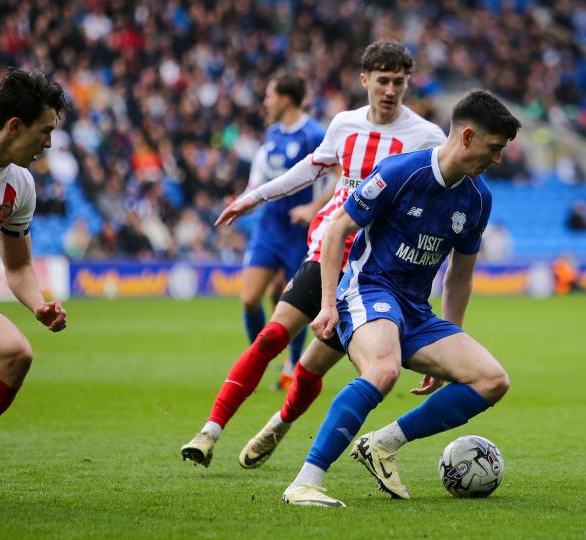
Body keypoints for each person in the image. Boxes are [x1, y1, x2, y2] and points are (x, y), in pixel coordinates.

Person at [180, 41, 446, 469]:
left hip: (376, 274)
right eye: (383, 81)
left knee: (310, 369)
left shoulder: (428, 137)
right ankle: (209, 431)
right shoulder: (344, 125)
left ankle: (281, 423)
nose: (391, 90)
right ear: (365, 80)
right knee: (271, 336)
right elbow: (310, 168)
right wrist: (255, 197)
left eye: (399, 82)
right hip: (330, 255)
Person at [281, 89, 520, 508]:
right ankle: (305, 481)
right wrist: (327, 305)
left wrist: (449, 344)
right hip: (369, 287)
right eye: (494, 147)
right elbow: (336, 229)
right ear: (466, 137)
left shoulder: (478, 198)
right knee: (384, 369)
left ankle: (383, 444)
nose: (497, 159)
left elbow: (459, 277)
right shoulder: (400, 172)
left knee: (492, 380)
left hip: (415, 310)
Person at [0, 68, 68, 438]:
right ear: (15, 126)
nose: (48, 143)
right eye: (44, 131)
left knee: (15, 353)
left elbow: (17, 265)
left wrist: (38, 305)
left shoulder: (20, 185)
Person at [238, 73, 330, 390]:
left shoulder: (314, 133)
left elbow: (341, 174)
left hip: (300, 233)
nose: (266, 101)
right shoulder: (272, 134)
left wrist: (313, 206)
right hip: (270, 227)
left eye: (269, 95)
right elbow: (261, 177)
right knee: (250, 298)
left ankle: (292, 363)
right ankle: (259, 358)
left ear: (286, 98)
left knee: (295, 300)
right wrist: (243, 200)